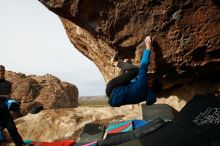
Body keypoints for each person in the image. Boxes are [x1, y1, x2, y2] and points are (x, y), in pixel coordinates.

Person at [106, 36, 160, 107]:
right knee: (129, 71)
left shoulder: (143, 85)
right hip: (113, 95)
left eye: (152, 79)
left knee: (136, 70)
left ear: (151, 85)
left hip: (112, 87)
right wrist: (127, 64)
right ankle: (125, 62)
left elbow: (143, 67)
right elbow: (133, 82)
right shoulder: (143, 96)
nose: (149, 77)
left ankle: (114, 62)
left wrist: (148, 48)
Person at [0, 65, 25, 146]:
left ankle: (20, 144)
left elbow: (8, 96)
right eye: (0, 71)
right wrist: (3, 96)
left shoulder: (8, 84)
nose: (1, 73)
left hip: (4, 110)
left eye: (2, 71)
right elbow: (5, 96)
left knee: (12, 128)